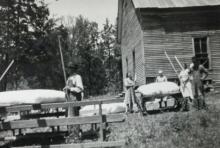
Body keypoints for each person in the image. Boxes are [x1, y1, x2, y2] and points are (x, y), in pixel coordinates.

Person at [63, 62, 84, 143]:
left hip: (75, 100)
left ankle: (76, 135)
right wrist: (65, 88)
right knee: (69, 117)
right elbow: (68, 88)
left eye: (70, 68)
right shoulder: (69, 78)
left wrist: (70, 89)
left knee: (75, 117)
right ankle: (71, 134)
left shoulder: (77, 77)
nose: (69, 70)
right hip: (69, 100)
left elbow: (80, 88)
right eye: (68, 68)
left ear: (73, 69)